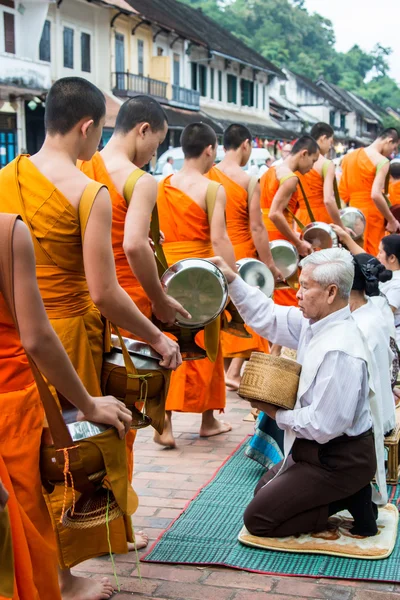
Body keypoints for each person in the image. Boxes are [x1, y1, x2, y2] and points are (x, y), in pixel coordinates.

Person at [0, 77, 181, 600]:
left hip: (15, 335)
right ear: (85, 127)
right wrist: (156, 333)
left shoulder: (8, 177)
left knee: (28, 463)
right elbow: (104, 292)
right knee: (69, 457)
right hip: (67, 340)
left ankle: (46, 569)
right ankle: (63, 576)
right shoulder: (88, 190)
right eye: (98, 129)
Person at [0, 214, 132, 600]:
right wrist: (87, 404)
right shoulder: (8, 230)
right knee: (21, 523)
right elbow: (37, 336)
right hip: (9, 399)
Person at [211, 248, 385, 538]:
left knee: (260, 520)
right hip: (312, 451)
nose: (298, 294)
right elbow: (267, 317)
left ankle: (351, 497)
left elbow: (323, 425)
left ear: (331, 292)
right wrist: (232, 280)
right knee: (262, 490)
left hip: (340, 460)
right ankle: (345, 498)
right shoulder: (315, 323)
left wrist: (274, 411)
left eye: (305, 287)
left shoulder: (342, 350)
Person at [78, 95, 189, 498]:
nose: (153, 154)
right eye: (156, 144)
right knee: (124, 407)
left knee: (85, 409)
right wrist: (159, 301)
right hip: (124, 301)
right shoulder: (139, 179)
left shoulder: (79, 166)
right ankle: (118, 520)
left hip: (79, 300)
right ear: (143, 130)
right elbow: (134, 247)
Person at [156, 122, 237, 448]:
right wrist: (233, 276)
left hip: (170, 273)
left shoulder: (161, 184)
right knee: (206, 347)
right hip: (202, 276)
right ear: (210, 150)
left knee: (170, 344)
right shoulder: (212, 188)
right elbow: (219, 237)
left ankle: (165, 424)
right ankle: (208, 420)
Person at [207, 124, 281, 390]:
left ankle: (226, 373)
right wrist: (270, 263)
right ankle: (234, 372)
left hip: (213, 251)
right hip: (242, 252)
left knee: (221, 312)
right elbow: (257, 227)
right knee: (246, 310)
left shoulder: (209, 174)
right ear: (246, 145)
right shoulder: (249, 180)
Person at [260, 135, 319, 311]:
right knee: (286, 294)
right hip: (278, 238)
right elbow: (275, 214)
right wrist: (299, 242)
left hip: (263, 236)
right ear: (304, 153)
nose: (311, 167)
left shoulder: (271, 170)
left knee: (269, 291)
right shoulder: (290, 177)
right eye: (313, 160)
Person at [339, 128, 400, 255]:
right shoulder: (382, 161)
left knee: (353, 253)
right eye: (394, 148)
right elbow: (376, 194)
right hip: (372, 215)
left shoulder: (349, 157)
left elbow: (342, 193)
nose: (391, 153)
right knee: (372, 256)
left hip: (351, 215)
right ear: (389, 141)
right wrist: (392, 220)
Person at [296, 123, 347, 228]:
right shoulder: (326, 164)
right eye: (330, 142)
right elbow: (328, 200)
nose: (330, 146)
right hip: (321, 217)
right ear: (323, 138)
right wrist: (342, 227)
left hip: (300, 216)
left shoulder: (298, 161)